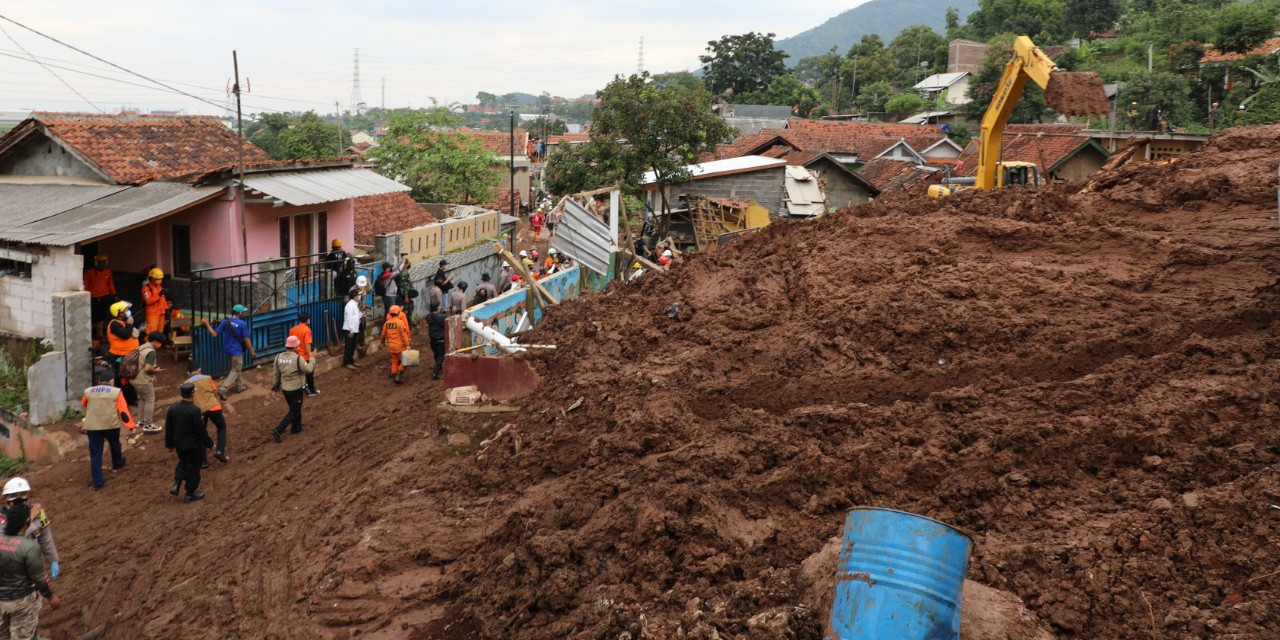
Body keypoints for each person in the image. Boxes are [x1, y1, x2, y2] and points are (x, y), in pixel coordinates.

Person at [0, 502, 59, 638]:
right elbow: (39, 578)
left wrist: (29, 518)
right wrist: (51, 596)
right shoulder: (30, 547)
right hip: (22, 600)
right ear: (27, 523)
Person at [0, 479, 59, 584]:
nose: (19, 498)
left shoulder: (37, 513)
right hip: (7, 566)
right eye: (14, 494)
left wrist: (53, 559)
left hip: (31, 561)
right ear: (5, 498)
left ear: (28, 494)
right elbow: (10, 540)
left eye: (22, 494)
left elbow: (45, 537)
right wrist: (30, 519)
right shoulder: (2, 517)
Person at [80, 381, 135, 490]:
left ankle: (98, 482)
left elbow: (84, 403)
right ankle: (117, 463)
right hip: (111, 425)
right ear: (111, 380)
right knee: (115, 445)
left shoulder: (88, 391)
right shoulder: (116, 392)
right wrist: (131, 426)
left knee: (95, 454)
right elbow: (123, 411)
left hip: (93, 426)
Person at [165, 383, 210, 502]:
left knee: (183, 462)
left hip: (179, 445)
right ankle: (190, 494)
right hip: (193, 445)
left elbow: (169, 428)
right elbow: (201, 431)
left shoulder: (172, 408)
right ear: (193, 394)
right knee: (194, 468)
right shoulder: (194, 410)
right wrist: (210, 444)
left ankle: (177, 483)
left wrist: (169, 444)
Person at [200, 305, 256, 395]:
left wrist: (207, 324)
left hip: (227, 351)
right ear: (240, 313)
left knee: (235, 369)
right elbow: (246, 339)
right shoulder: (242, 324)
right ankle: (223, 389)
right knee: (236, 370)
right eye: (242, 312)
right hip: (236, 352)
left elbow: (214, 334)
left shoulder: (225, 322)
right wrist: (252, 350)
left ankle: (239, 386)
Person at [270, 336, 314, 442]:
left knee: (295, 408)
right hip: (296, 388)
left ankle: (296, 428)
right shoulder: (298, 358)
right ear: (295, 347)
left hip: (285, 389)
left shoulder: (278, 357)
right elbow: (308, 370)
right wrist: (312, 358)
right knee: (294, 411)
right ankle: (278, 430)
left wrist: (275, 385)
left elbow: (276, 374)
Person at [185, 361, 229, 464]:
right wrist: (219, 403)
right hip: (214, 407)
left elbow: (188, 400)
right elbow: (215, 392)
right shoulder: (208, 378)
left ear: (188, 373)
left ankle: (203, 461)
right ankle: (220, 451)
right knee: (221, 427)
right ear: (199, 369)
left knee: (201, 433)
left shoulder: (186, 384)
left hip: (199, 411)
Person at [105, 301, 140, 405]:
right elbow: (125, 335)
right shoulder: (114, 324)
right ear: (119, 313)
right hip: (118, 357)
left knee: (130, 377)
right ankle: (119, 401)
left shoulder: (124, 322)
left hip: (128, 355)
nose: (128, 311)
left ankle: (131, 399)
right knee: (119, 378)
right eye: (126, 310)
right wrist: (129, 324)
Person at [131, 331, 167, 433]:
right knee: (150, 400)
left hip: (134, 378)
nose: (159, 345)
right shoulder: (151, 352)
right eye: (159, 343)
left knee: (142, 399)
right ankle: (148, 424)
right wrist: (156, 371)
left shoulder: (141, 347)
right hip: (143, 380)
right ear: (155, 342)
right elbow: (147, 368)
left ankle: (141, 421)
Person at [83, 254, 117, 340]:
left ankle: (100, 334)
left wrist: (114, 294)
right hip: (93, 298)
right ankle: (89, 335)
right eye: (101, 262)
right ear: (96, 263)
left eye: (104, 262)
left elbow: (110, 284)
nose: (103, 264)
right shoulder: (89, 272)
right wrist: (86, 296)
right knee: (92, 316)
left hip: (104, 298)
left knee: (101, 317)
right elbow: (85, 285)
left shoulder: (108, 272)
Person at [288, 312, 319, 395]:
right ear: (307, 320)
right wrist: (310, 354)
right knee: (309, 373)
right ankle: (311, 390)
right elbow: (307, 344)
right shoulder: (307, 330)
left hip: (295, 356)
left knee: (298, 375)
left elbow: (290, 343)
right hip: (304, 357)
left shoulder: (292, 329)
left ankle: (301, 389)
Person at [381, 305, 411, 384]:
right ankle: (398, 374)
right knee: (407, 360)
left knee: (394, 361)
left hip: (391, 346)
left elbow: (383, 335)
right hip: (400, 346)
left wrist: (382, 342)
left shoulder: (387, 323)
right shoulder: (400, 322)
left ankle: (393, 373)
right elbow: (404, 335)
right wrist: (407, 344)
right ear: (398, 313)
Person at [140, 268, 170, 336]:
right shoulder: (146, 288)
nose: (159, 281)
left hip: (161, 312)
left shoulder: (159, 287)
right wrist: (159, 295)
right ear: (152, 278)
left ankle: (157, 346)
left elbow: (163, 300)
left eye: (160, 279)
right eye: (158, 279)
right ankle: (149, 346)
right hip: (152, 314)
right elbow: (148, 301)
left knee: (160, 333)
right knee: (151, 333)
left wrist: (166, 309)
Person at [425, 302, 447, 380]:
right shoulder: (441, 317)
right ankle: (435, 373)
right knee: (440, 357)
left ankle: (439, 368)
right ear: (437, 309)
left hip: (433, 340)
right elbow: (445, 317)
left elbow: (434, 316)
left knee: (436, 355)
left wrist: (441, 312)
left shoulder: (428, 317)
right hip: (441, 340)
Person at [342, 287, 362, 370]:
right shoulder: (350, 305)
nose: (358, 296)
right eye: (358, 295)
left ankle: (351, 360)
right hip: (350, 329)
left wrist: (361, 315)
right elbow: (349, 318)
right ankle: (346, 362)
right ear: (354, 296)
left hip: (354, 329)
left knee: (353, 346)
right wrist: (351, 330)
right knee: (349, 346)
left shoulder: (354, 304)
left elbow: (356, 315)